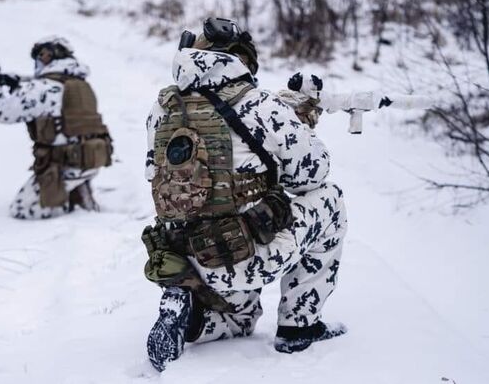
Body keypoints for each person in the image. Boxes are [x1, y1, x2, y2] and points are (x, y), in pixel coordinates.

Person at [141, 18, 347, 371]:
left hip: (184, 258)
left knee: (242, 319)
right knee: (330, 198)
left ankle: (191, 317)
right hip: (242, 253)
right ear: (242, 59)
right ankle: (299, 326)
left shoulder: (164, 107)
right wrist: (300, 125)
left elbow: (152, 173)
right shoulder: (263, 106)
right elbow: (311, 175)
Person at [0, 36, 112, 219]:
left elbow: (5, 113)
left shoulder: (45, 86)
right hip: (90, 159)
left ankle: (69, 208)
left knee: (21, 209)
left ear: (47, 55)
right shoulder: (80, 84)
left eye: (38, 57)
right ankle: (76, 192)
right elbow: (43, 110)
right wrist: (16, 88)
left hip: (63, 165)